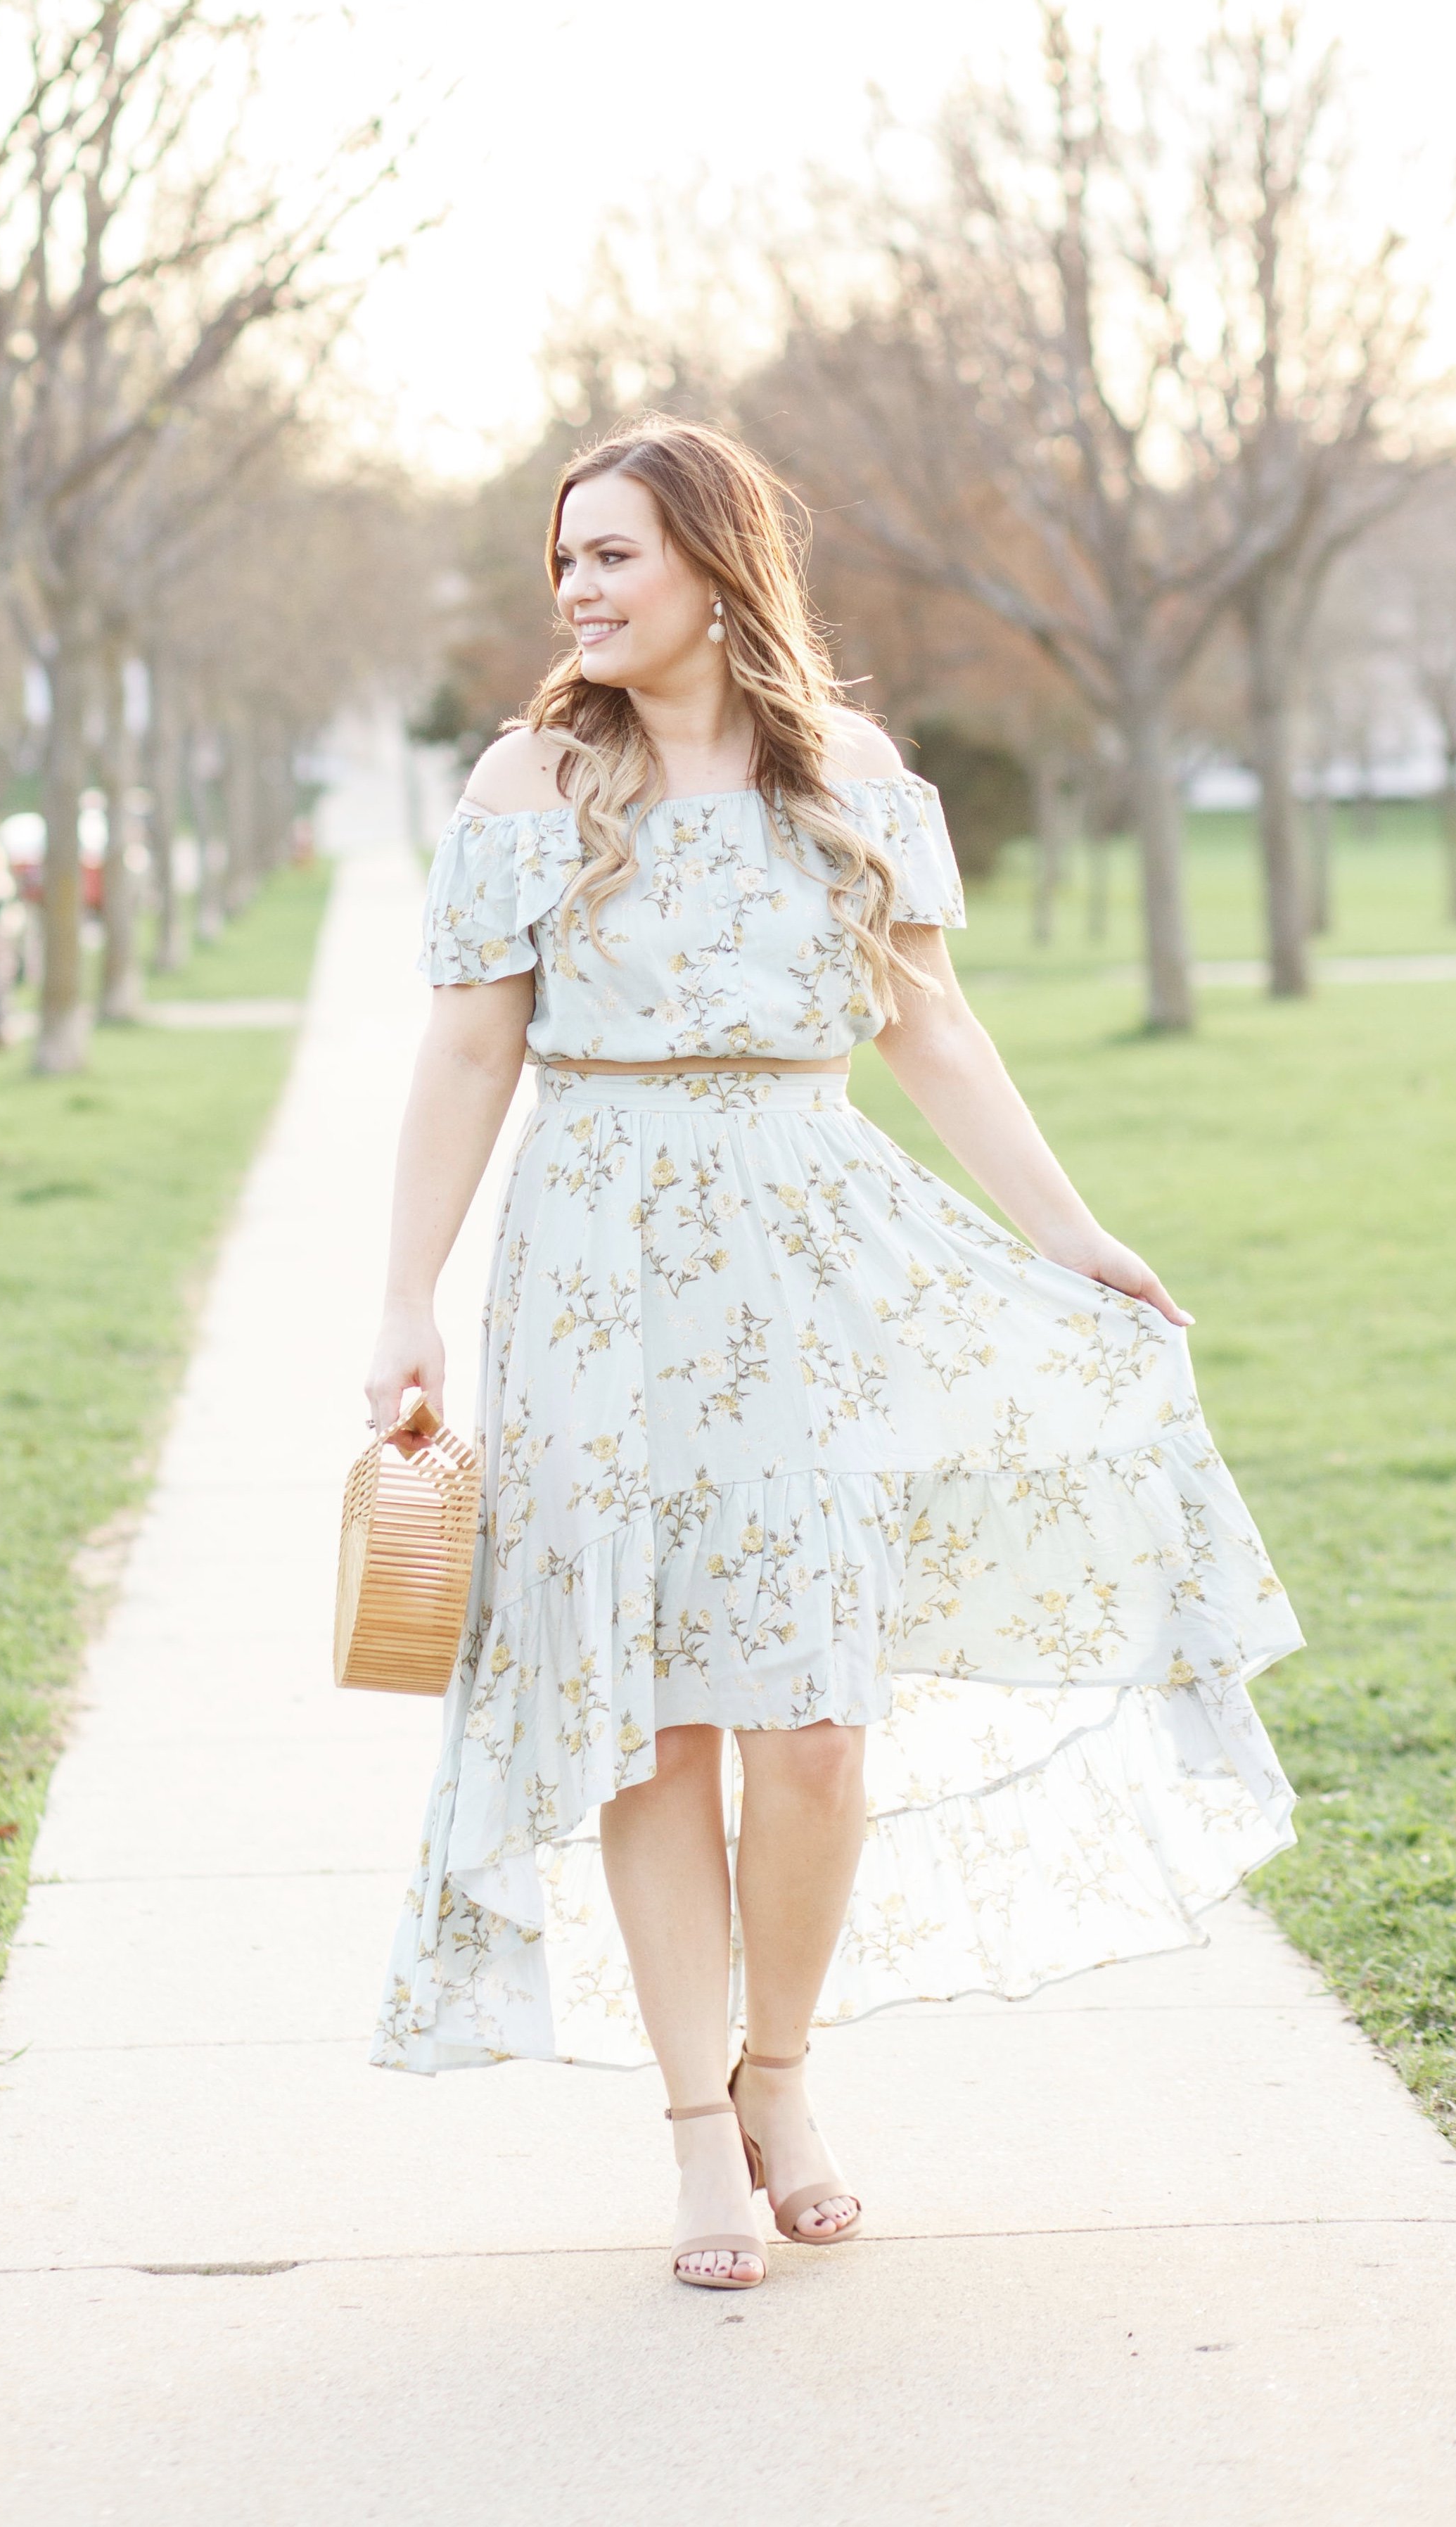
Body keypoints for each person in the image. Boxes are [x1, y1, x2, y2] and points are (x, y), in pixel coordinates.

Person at [364, 419, 1301, 2291]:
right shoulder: (527, 781)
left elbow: (931, 1029)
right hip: (597, 1273)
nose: (579, 588)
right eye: (564, 560)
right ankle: (696, 2126)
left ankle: (780, 2069)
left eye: (614, 553)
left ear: (716, 565)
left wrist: (1071, 1230)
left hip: (801, 1265)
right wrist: (407, 1302)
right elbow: (470, 1055)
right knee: (650, 1711)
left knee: (808, 1724)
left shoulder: (849, 775)